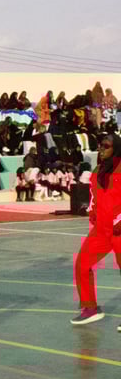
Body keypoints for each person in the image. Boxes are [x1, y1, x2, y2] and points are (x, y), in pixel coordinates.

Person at [71, 134, 121, 327]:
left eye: (106, 146)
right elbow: (94, 194)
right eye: (100, 145)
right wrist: (92, 211)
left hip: (119, 229)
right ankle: (90, 308)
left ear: (116, 148)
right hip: (101, 229)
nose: (101, 149)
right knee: (82, 264)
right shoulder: (98, 169)